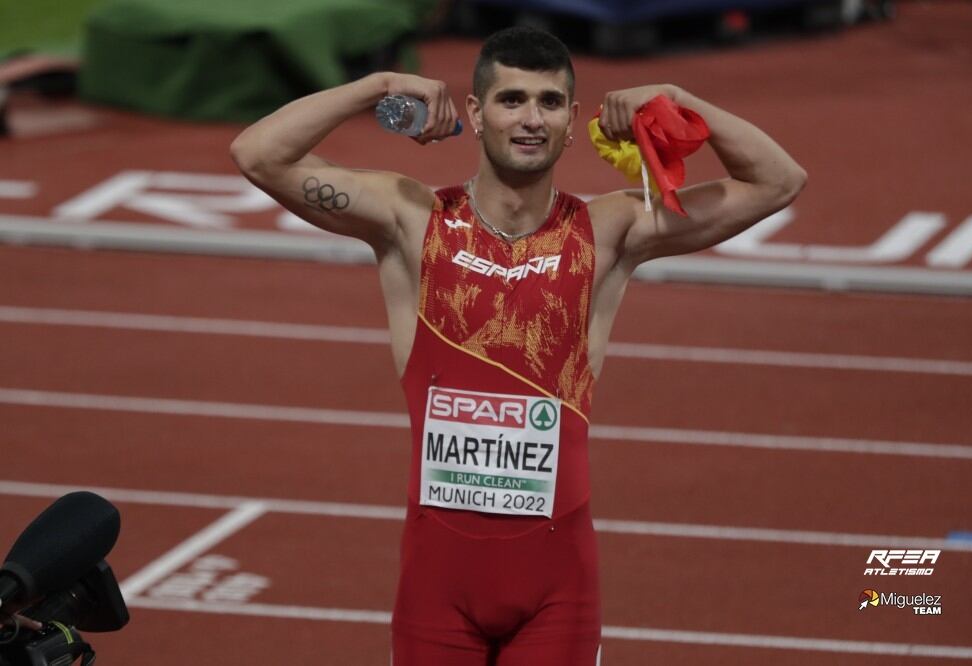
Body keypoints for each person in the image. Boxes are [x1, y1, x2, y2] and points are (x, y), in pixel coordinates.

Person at [231, 26, 806, 666]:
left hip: (557, 589)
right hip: (436, 585)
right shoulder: (410, 218)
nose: (531, 119)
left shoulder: (610, 230)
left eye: (549, 102)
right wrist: (378, 86)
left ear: (572, 121)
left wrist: (676, 97)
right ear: (475, 113)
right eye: (511, 100)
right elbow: (259, 155)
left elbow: (778, 181)